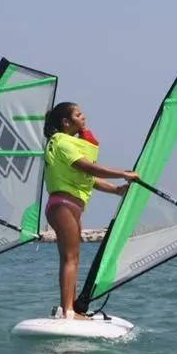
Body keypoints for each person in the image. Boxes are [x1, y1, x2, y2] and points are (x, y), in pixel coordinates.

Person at [42, 102, 138, 319]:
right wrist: (123, 173)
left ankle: (69, 308)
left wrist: (116, 190)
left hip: (70, 206)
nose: (83, 117)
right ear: (66, 122)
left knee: (72, 258)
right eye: (78, 114)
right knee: (70, 258)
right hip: (63, 205)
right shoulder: (63, 143)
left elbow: (89, 179)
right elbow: (88, 167)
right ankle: (68, 311)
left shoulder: (66, 142)